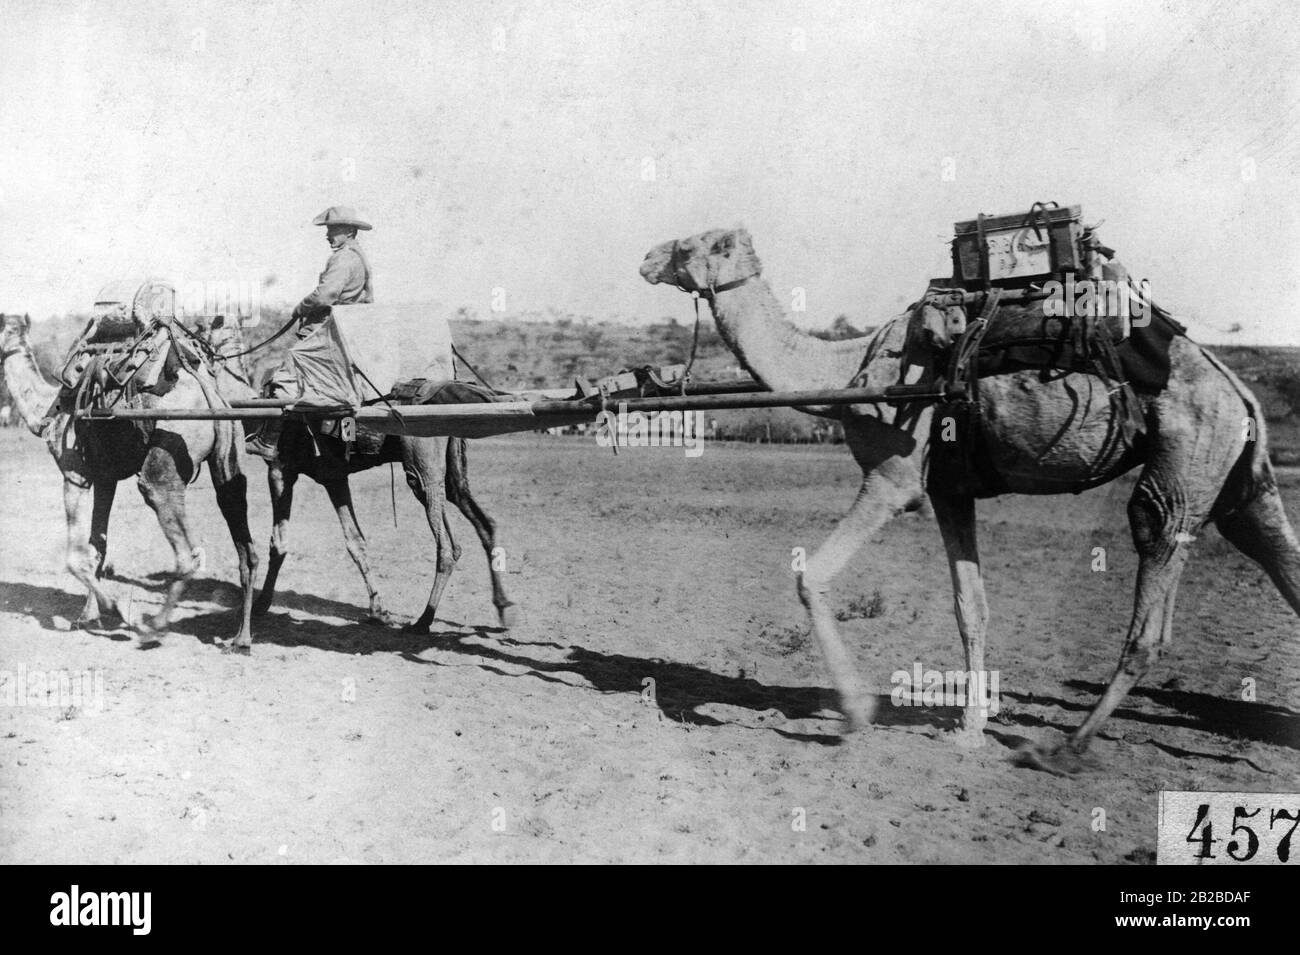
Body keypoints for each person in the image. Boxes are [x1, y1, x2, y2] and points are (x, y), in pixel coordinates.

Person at [247, 206, 373, 458]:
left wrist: (301, 306)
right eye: (327, 229)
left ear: (349, 231)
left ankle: (268, 441)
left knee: (283, 380)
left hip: (324, 334)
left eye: (333, 230)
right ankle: (345, 442)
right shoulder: (357, 256)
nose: (328, 235)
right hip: (340, 333)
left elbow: (326, 294)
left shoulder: (343, 257)